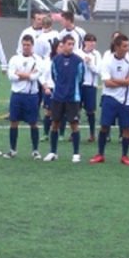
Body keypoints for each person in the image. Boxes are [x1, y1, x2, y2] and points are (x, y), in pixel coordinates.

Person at [90, 33, 129, 165]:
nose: (127, 48)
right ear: (117, 46)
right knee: (104, 126)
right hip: (109, 97)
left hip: (126, 99)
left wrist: (114, 80)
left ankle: (125, 156)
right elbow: (107, 83)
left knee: (126, 128)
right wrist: (123, 81)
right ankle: (100, 154)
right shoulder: (107, 61)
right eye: (124, 46)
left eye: (128, 46)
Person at [43, 32, 85, 163]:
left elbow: (80, 78)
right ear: (63, 45)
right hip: (58, 97)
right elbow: (55, 76)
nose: (71, 46)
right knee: (55, 123)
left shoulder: (78, 61)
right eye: (69, 44)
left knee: (74, 124)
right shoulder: (56, 60)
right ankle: (53, 152)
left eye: (73, 44)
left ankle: (76, 153)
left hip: (72, 98)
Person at [5, 34, 45, 159]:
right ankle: (12, 150)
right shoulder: (14, 59)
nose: (26, 47)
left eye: (28, 45)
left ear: (32, 46)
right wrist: (27, 75)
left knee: (33, 123)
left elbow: (35, 76)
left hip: (31, 96)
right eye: (24, 45)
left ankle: (35, 150)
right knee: (13, 122)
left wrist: (20, 74)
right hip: (17, 95)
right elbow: (11, 76)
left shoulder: (38, 60)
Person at [79, 32, 101, 142]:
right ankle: (74, 133)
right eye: (89, 41)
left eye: (93, 41)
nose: (92, 43)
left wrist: (90, 64)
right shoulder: (78, 53)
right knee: (75, 109)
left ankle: (92, 134)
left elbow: (98, 70)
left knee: (90, 111)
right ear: (84, 42)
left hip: (91, 86)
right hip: (79, 85)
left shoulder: (97, 55)